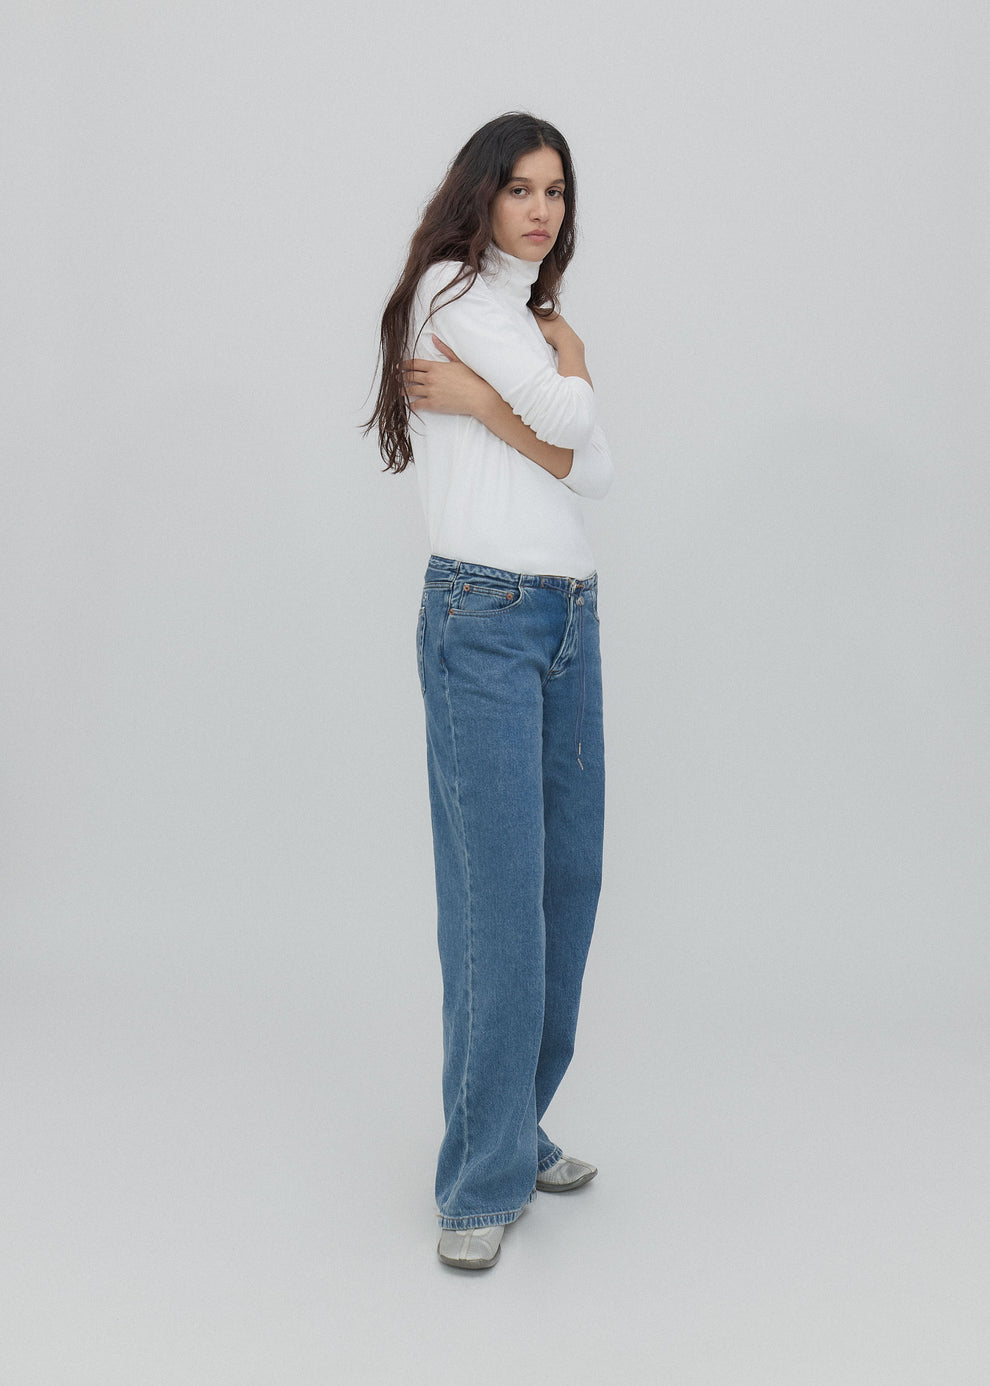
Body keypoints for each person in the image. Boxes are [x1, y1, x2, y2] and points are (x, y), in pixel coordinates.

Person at [366, 112, 614, 1270]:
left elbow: (598, 469)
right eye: (520, 186)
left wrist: (493, 404)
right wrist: (561, 377)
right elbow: (573, 425)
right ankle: (478, 1180)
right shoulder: (455, 298)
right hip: (484, 619)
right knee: (498, 906)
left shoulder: (522, 320)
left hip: (570, 620)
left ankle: (517, 1125)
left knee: (567, 890)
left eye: (556, 190)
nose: (541, 208)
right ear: (482, 193)